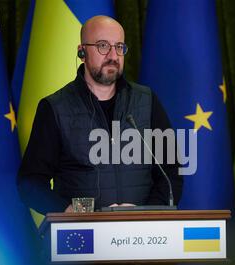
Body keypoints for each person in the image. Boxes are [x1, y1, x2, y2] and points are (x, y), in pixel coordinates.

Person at [17, 15, 183, 214]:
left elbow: (171, 171)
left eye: (119, 46)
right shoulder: (55, 108)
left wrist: (148, 213)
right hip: (83, 234)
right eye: (103, 46)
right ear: (82, 51)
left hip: (142, 235)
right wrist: (67, 211)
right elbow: (30, 183)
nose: (113, 55)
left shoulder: (147, 101)